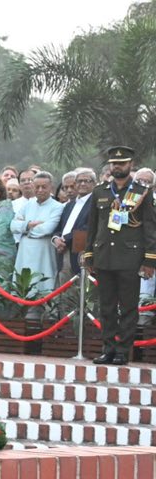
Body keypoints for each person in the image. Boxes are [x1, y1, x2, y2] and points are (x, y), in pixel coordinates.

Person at [84, 146, 156, 365]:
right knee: (106, 307)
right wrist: (89, 254)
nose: (117, 167)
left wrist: (149, 259)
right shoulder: (100, 191)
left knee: (128, 307)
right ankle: (108, 349)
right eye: (114, 163)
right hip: (104, 255)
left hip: (129, 257)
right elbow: (93, 225)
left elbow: (150, 227)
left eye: (122, 163)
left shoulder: (142, 191)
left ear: (130, 165)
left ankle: (123, 351)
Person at [11, 171, 60, 290]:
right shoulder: (28, 204)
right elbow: (13, 226)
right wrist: (28, 225)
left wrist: (24, 228)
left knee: (44, 285)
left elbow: (47, 229)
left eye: (44, 187)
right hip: (24, 251)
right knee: (22, 287)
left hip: (44, 251)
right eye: (37, 187)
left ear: (51, 188)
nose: (40, 190)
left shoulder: (58, 206)